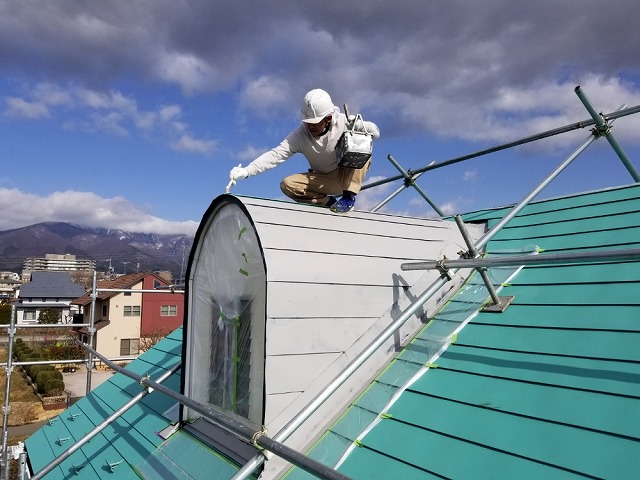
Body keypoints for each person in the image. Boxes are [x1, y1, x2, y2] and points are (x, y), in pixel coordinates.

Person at [228, 88, 380, 213]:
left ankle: (349, 198)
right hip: (324, 180)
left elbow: (376, 133)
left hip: (348, 175)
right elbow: (275, 155)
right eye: (308, 122)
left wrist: (360, 126)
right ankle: (327, 202)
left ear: (328, 118)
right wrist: (247, 171)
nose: (310, 126)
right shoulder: (300, 135)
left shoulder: (343, 121)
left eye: (315, 122)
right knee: (288, 184)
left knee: (362, 147)